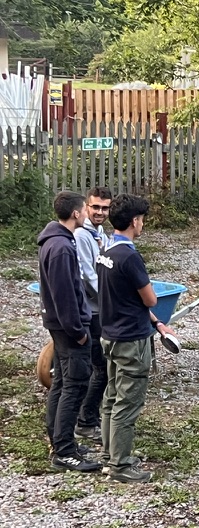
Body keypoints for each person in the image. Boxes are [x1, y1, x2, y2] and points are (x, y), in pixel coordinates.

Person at [97, 194, 175, 483]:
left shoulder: (106, 249)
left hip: (110, 334)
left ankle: (109, 455)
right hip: (131, 338)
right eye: (142, 220)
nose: (142, 225)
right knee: (127, 402)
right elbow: (150, 298)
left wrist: (156, 323)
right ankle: (120, 464)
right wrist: (154, 315)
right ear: (134, 221)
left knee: (111, 397)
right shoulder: (129, 256)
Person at [38, 191, 98, 472]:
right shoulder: (61, 247)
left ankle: (59, 440)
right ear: (76, 213)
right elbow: (64, 295)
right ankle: (64, 452)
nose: (87, 213)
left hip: (60, 326)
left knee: (62, 384)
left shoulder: (56, 241)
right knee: (74, 386)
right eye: (85, 209)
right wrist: (79, 331)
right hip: (69, 329)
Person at [72, 186, 112, 447]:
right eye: (95, 207)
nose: (100, 212)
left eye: (104, 208)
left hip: (102, 309)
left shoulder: (100, 234)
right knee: (101, 368)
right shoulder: (81, 236)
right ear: (86, 207)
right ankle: (85, 422)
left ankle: (91, 417)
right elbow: (88, 276)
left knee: (103, 368)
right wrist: (113, 299)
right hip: (92, 311)